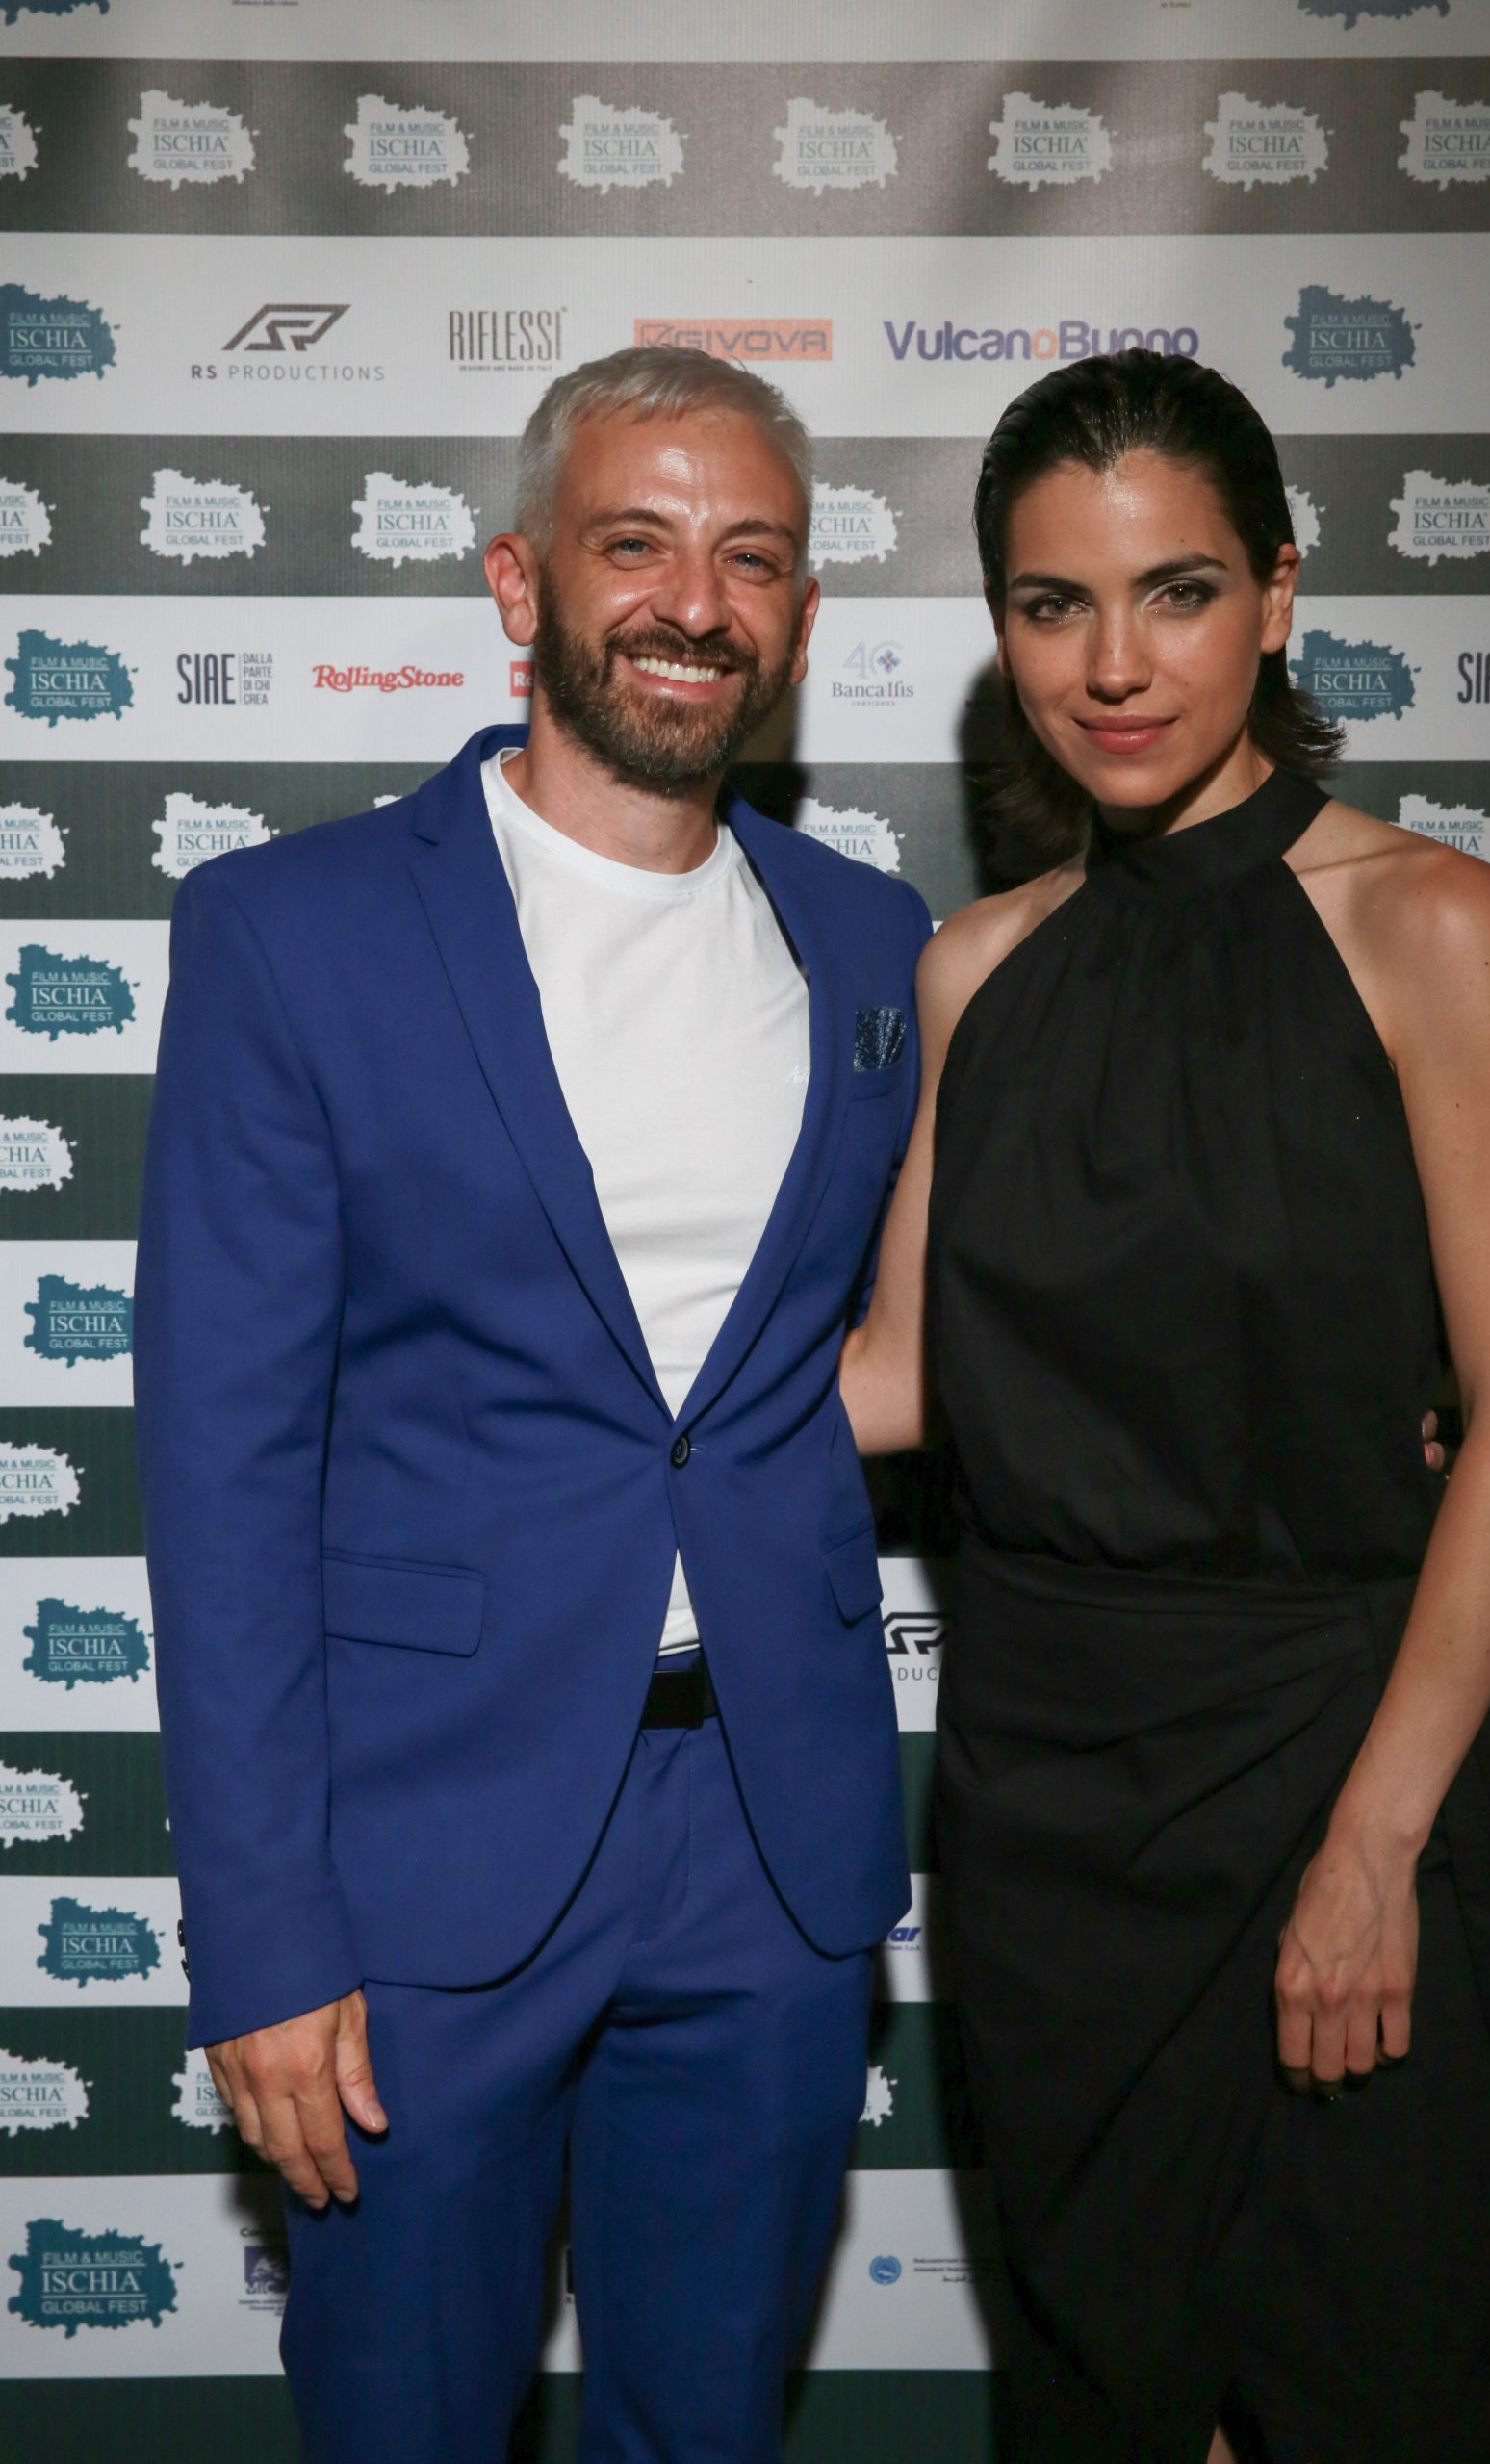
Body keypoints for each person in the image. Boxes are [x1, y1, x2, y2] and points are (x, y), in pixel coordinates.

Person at [841, 350, 1490, 2462]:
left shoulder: (1428, 921)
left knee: (1364, 2393)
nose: (1113, 665)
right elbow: (896, 1378)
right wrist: (509, 1400)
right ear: (1000, 625)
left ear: (1278, 594)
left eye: (1175, 591)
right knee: (1106, 2409)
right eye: (1053, 605)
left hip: (1336, 1760)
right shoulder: (974, 970)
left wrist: (1373, 1846)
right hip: (1046, 1815)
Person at [133, 346, 929, 2464]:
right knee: (401, 2423)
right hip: (421, 1850)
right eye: (635, 543)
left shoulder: (871, 946)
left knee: (709, 2430)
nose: (694, 602)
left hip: (769, 1841)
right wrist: (260, 1935)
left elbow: (878, 1360)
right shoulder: (289, 930)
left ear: (800, 614)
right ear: (518, 580)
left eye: (749, 557)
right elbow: (222, 1471)